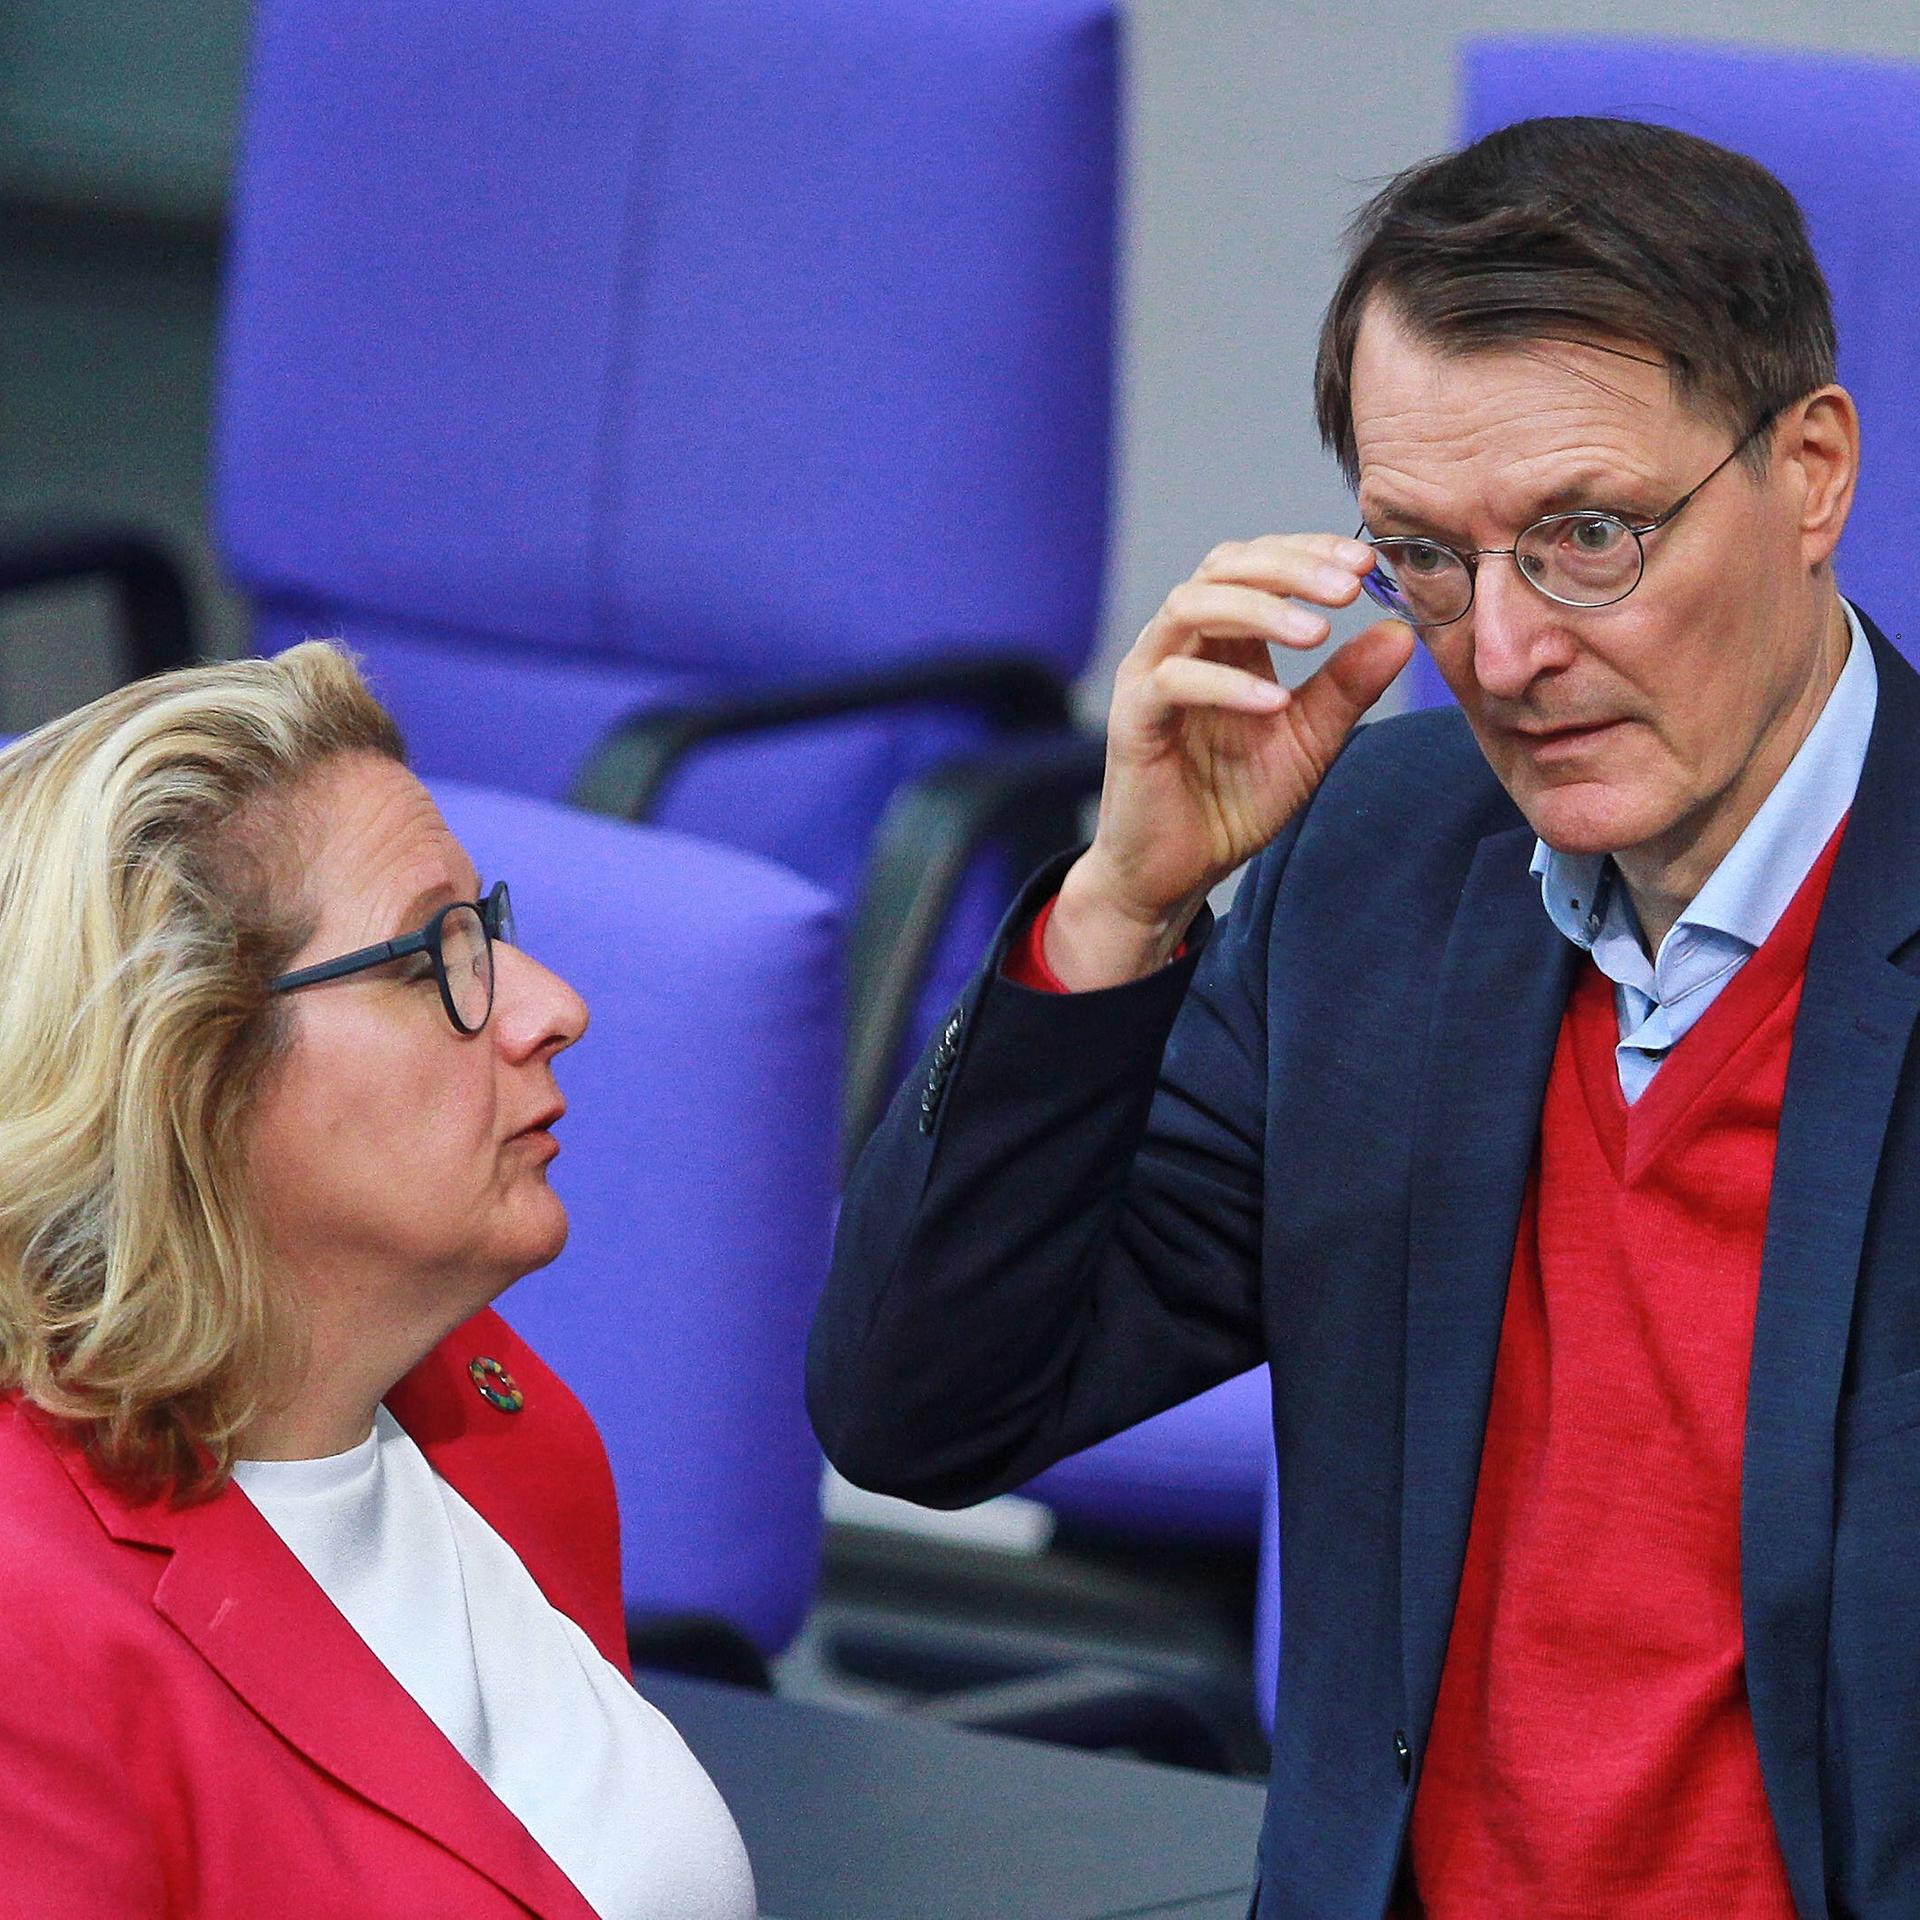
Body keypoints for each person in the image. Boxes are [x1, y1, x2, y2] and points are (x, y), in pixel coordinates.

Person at [809, 115, 1918, 1919]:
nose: (1501, 652)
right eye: (1424, 553)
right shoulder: (1385, 872)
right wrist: (1122, 904)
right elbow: (921, 1415)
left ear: (1809, 472)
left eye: (1585, 536)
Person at [0, 643, 755, 1920]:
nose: (552, 1008)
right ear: (185, 1066)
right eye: (429, 961)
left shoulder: (504, 1418)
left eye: (489, 930)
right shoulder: (28, 1629)